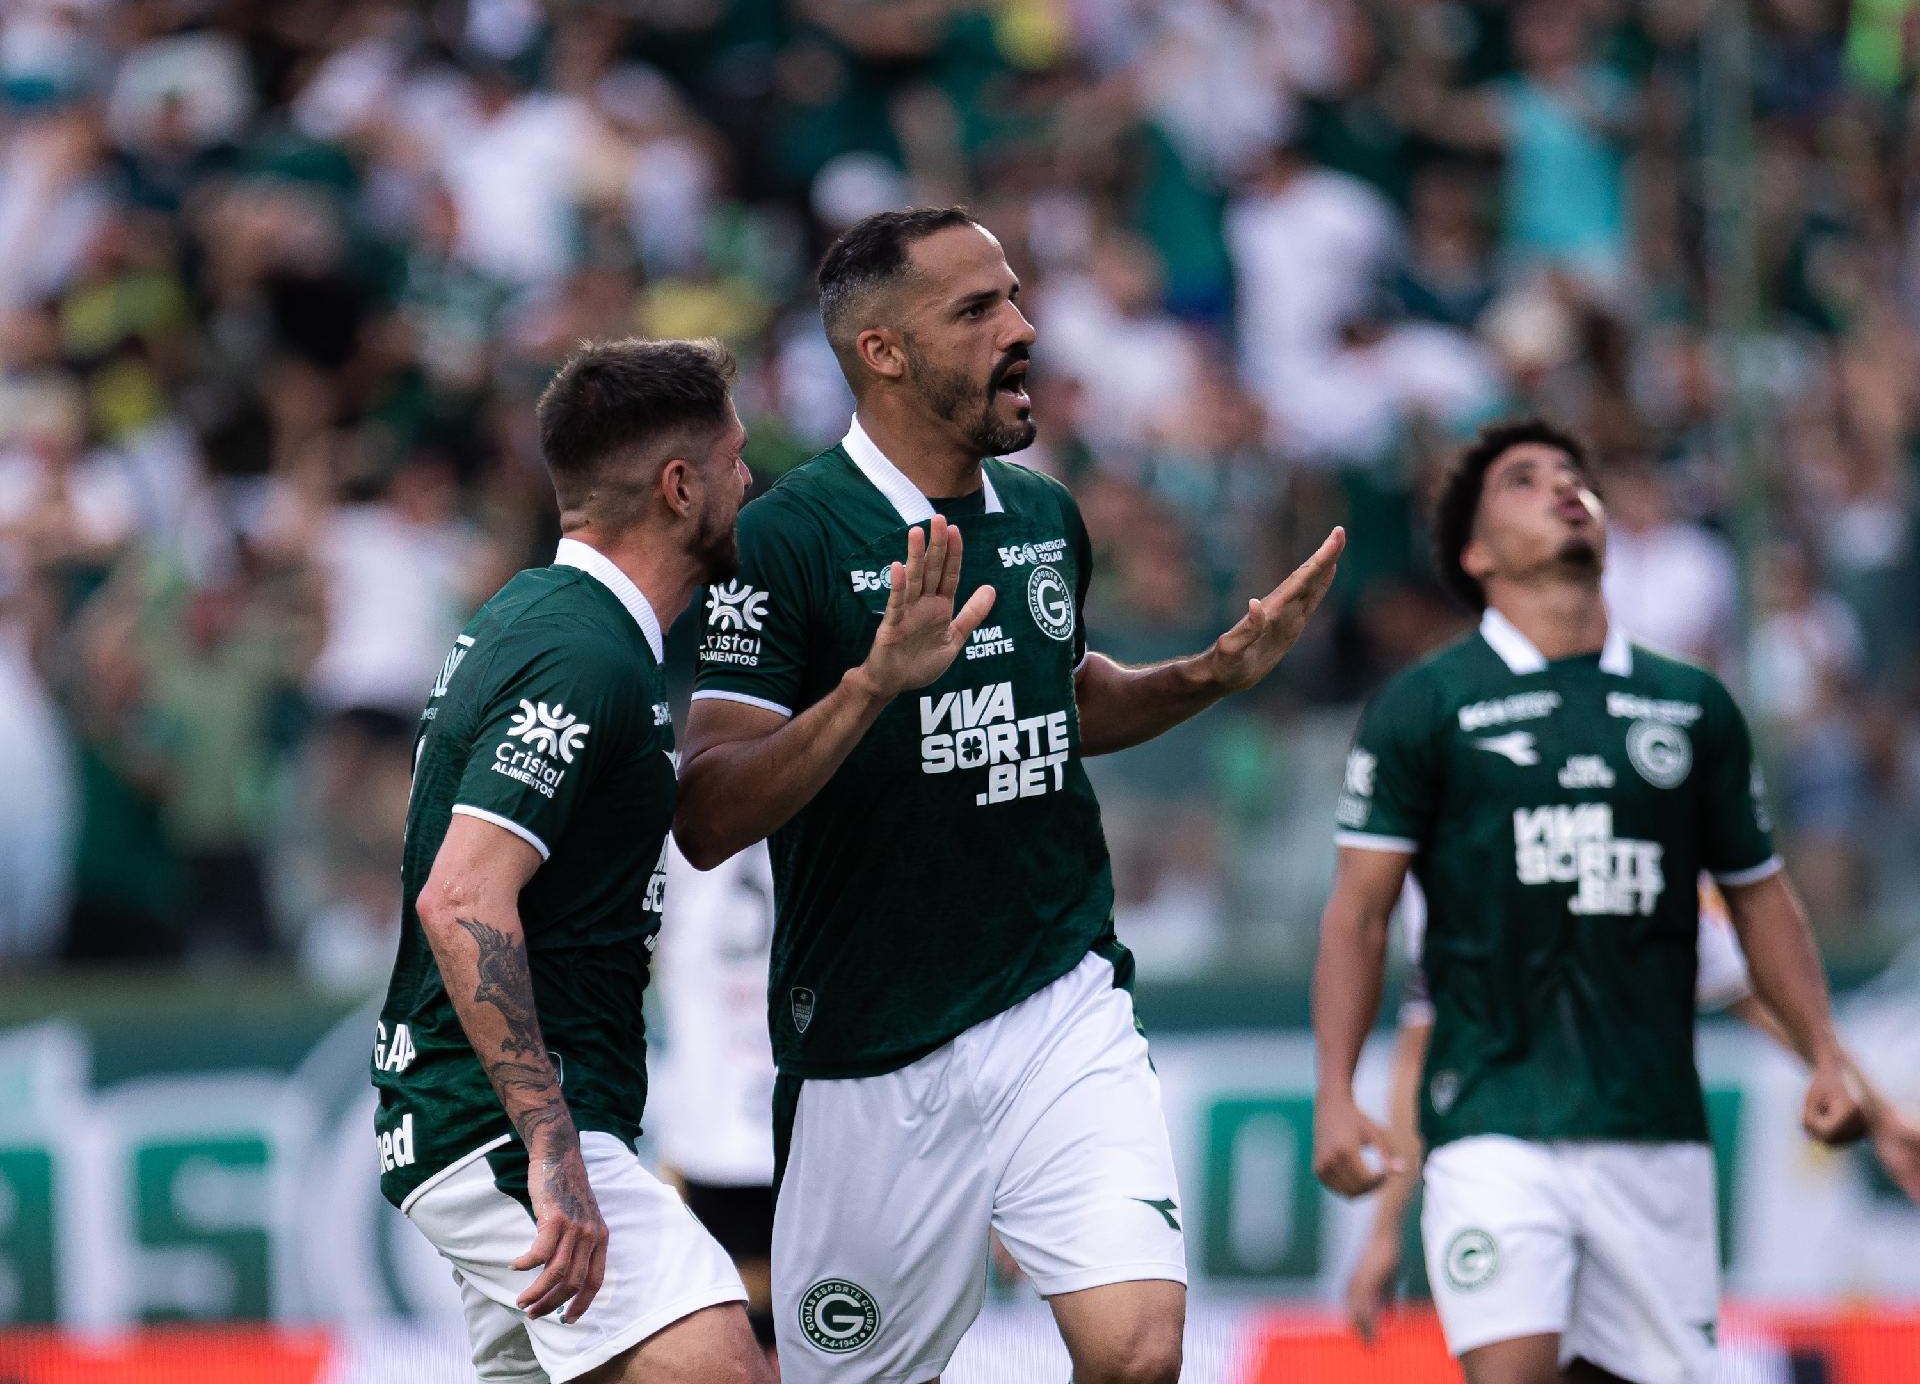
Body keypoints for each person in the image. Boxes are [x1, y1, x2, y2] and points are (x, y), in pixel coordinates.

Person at [674, 205, 1344, 1384]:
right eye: (978, 310)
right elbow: (710, 807)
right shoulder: (781, 541)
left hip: (1058, 994)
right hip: (871, 1049)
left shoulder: (1042, 517)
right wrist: (873, 686)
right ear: (882, 352)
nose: (1022, 328)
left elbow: (1060, 697)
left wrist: (1208, 676)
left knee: (1138, 1349)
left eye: (1017, 299)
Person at [1311, 417, 1873, 1384]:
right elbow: (1361, 919)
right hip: (1488, 1122)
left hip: (1653, 1135)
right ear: (1478, 554)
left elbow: (1759, 901)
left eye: (1576, 475)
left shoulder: (1692, 706)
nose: (1566, 488)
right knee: (1516, 1368)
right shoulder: (1425, 708)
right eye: (1526, 481)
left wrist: (1828, 1053)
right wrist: (1334, 1097)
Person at [371, 338, 771, 1384]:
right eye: (734, 459)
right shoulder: (583, 654)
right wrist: (551, 1147)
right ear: (681, 487)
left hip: (500, 1120)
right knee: (728, 1363)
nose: (750, 480)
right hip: (501, 1127)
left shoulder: (549, 623)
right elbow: (460, 898)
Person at [1342, 880, 1920, 1343]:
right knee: (1516, 1356)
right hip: (1504, 1166)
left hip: (1633, 1171)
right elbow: (1423, 1057)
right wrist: (1385, 1227)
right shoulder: (1449, 851)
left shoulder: (1639, 829)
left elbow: (1765, 997)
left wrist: (1881, 1111)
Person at [651, 837, 780, 1357]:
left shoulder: (671, 798)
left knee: (736, 1340)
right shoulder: (833, 769)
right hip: (806, 1119)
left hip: (714, 1125)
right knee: (829, 1330)